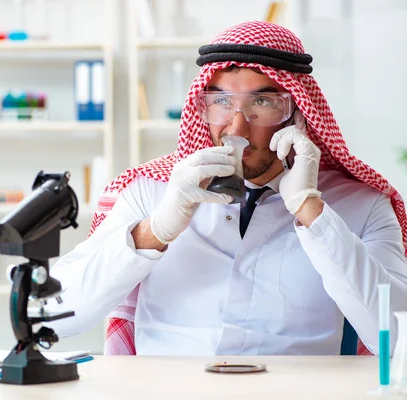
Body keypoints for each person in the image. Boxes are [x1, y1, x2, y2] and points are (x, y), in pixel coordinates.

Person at [47, 21, 407, 356]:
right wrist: (154, 231)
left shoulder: (364, 205)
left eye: (262, 103)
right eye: (220, 102)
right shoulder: (151, 192)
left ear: (298, 113)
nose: (236, 127)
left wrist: (311, 211)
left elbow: (396, 338)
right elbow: (53, 314)